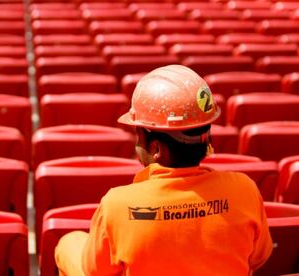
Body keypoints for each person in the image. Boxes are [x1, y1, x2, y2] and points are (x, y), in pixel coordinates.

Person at [54, 64, 273, 276]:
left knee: (67, 245)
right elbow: (258, 257)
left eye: (138, 136)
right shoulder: (245, 190)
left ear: (156, 148)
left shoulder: (117, 205)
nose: (136, 145)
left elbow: (94, 271)